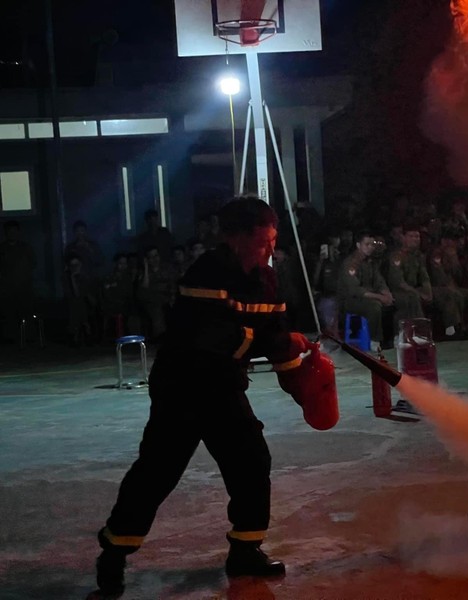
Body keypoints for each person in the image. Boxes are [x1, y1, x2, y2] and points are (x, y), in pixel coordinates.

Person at [90, 197, 313, 598]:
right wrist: (279, 342)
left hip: (225, 386)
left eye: (273, 241)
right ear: (235, 238)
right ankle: (114, 552)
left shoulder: (267, 278)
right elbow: (214, 337)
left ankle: (246, 550)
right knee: (158, 470)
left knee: (250, 460)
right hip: (183, 386)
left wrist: (300, 381)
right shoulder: (207, 273)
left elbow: (276, 330)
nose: (269, 250)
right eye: (263, 242)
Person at [337, 231, 394, 351]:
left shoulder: (370, 262)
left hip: (366, 297)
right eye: (367, 244)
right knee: (374, 306)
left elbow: (379, 281)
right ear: (358, 245)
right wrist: (379, 297)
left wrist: (386, 293)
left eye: (372, 244)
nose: (370, 247)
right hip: (350, 301)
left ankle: (394, 337)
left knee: (393, 302)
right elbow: (355, 290)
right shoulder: (351, 263)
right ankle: (374, 340)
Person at [386, 225, 431, 330]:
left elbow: (424, 277)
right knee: (412, 298)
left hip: (413, 289)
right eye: (411, 236)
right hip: (397, 291)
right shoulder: (397, 256)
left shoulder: (418, 256)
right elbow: (398, 282)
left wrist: (428, 292)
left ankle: (451, 330)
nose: (415, 239)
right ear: (403, 238)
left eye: (417, 237)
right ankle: (417, 331)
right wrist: (418, 293)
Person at [0, 220, 37, 343]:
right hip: (6, 288)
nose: (12, 234)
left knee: (26, 312)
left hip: (24, 287)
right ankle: (10, 338)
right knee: (8, 313)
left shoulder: (26, 248)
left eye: (14, 231)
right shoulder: (2, 249)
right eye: (9, 231)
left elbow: (33, 264)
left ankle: (28, 337)